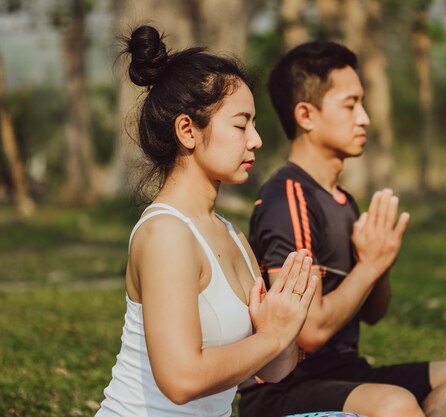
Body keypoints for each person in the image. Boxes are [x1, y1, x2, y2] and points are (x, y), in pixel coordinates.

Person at [238, 41, 446, 417]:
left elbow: (373, 312)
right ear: (306, 115)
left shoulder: (343, 200)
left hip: (345, 374)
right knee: (396, 406)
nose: (364, 118)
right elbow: (309, 331)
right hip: (287, 388)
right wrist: (369, 266)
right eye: (350, 104)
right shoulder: (286, 199)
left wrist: (382, 260)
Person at [95, 25, 319, 417]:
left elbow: (272, 367)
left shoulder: (231, 235)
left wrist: (288, 320)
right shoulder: (165, 233)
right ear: (187, 130)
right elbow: (181, 379)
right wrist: (273, 335)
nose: (256, 140)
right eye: (240, 124)